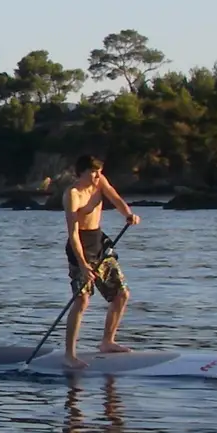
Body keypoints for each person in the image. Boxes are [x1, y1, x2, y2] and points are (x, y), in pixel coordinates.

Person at [62, 156, 142, 368]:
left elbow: (115, 198)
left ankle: (107, 342)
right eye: (93, 172)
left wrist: (128, 214)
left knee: (122, 294)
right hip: (80, 248)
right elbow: (73, 235)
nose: (98, 176)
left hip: (100, 243)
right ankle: (69, 355)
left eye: (99, 172)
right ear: (81, 173)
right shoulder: (72, 195)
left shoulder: (100, 182)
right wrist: (82, 264)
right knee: (82, 300)